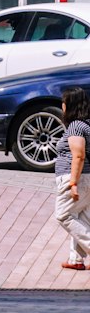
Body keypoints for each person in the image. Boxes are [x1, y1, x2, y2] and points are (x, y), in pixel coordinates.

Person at [54, 86, 90, 270]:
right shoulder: (87, 124)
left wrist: (73, 183)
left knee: (64, 215)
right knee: (81, 216)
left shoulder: (76, 126)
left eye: (64, 102)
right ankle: (76, 259)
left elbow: (79, 155)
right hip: (87, 178)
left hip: (77, 177)